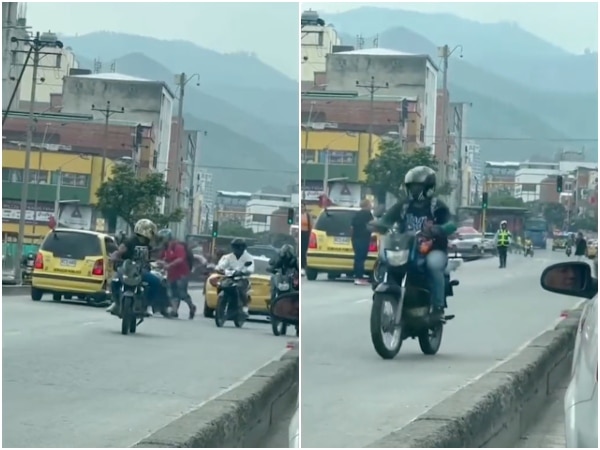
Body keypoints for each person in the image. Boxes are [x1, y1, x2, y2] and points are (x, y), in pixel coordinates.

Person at [371, 166, 455, 321]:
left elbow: (451, 224)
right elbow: (387, 219)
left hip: (432, 248)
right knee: (384, 259)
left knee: (433, 265)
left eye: (418, 186)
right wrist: (377, 224)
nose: (414, 190)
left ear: (428, 187)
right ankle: (381, 291)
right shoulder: (403, 206)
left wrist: (438, 229)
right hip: (406, 248)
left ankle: (438, 307)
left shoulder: (437, 206)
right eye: (411, 187)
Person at [107, 218, 162, 315]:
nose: (152, 234)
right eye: (151, 231)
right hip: (127, 269)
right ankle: (116, 302)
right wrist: (114, 257)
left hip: (142, 270)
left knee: (156, 282)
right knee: (115, 282)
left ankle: (148, 305)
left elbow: (155, 255)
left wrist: (158, 262)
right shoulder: (130, 241)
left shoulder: (150, 244)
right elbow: (119, 251)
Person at [157, 228, 197, 320]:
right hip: (171, 273)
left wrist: (170, 265)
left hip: (181, 273)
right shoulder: (165, 248)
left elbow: (181, 258)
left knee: (182, 293)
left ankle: (191, 306)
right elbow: (162, 258)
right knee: (172, 292)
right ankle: (174, 311)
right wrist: (160, 263)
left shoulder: (177, 246)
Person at [215, 238, 255, 316]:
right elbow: (222, 266)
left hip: (242, 279)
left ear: (242, 248)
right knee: (221, 285)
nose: (235, 249)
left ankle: (245, 307)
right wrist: (219, 269)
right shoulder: (229, 257)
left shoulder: (248, 257)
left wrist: (243, 272)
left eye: (237, 247)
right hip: (230, 278)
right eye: (234, 247)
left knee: (240, 288)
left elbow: (250, 269)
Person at [351, 198, 374, 286]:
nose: (371, 206)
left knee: (357, 258)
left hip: (355, 239)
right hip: (364, 238)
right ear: (367, 205)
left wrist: (353, 237)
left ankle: (357, 277)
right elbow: (372, 225)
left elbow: (352, 228)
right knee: (361, 258)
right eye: (370, 204)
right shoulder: (368, 214)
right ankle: (359, 278)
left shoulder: (357, 214)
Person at [300, 202, 312, 277]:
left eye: (303, 206)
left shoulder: (307, 215)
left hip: (306, 234)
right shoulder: (299, 215)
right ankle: (301, 266)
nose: (302, 208)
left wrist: (310, 235)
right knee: (300, 251)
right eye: (300, 206)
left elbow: (310, 225)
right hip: (300, 234)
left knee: (304, 251)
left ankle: (304, 266)